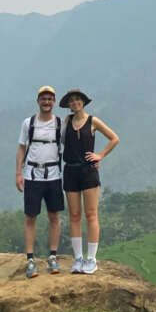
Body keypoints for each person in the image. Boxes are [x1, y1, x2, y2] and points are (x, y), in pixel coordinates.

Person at [59, 89, 119, 274]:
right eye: (71, 101)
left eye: (78, 100)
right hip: (70, 170)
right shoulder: (67, 122)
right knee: (74, 215)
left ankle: (91, 259)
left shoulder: (93, 121)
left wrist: (99, 155)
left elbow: (114, 138)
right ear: (68, 105)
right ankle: (78, 259)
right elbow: (60, 141)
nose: (75, 103)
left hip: (88, 172)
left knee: (91, 214)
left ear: (83, 102)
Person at [16, 86, 65, 279]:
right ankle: (30, 259)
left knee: (54, 216)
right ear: (38, 101)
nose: (46, 102)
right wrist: (18, 173)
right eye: (43, 99)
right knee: (31, 217)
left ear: (54, 102)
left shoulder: (60, 124)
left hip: (53, 175)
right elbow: (21, 148)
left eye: (50, 99)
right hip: (32, 174)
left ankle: (52, 256)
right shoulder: (29, 123)